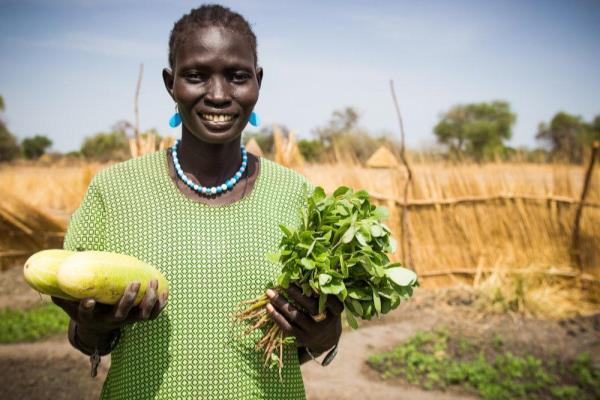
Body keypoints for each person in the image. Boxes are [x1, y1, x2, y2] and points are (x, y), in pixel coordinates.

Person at [51, 4, 342, 399]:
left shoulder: (297, 196)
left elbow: (300, 342)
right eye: (196, 76)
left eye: (237, 76)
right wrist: (92, 329)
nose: (219, 95)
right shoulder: (115, 191)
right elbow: (85, 336)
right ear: (171, 83)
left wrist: (325, 333)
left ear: (258, 81)